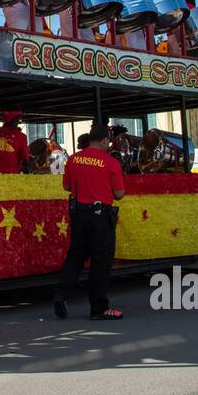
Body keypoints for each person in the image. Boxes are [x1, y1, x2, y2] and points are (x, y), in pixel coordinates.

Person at [54, 124, 126, 320]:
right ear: (104, 141)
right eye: (108, 142)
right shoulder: (110, 162)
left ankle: (60, 295)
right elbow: (119, 194)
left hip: (78, 215)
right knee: (101, 262)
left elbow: (67, 186)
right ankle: (98, 308)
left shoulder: (74, 159)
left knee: (75, 257)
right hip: (100, 217)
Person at [0, 109, 29, 174]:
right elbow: (25, 159)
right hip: (11, 177)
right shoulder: (21, 137)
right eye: (18, 119)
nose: (18, 122)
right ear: (14, 119)